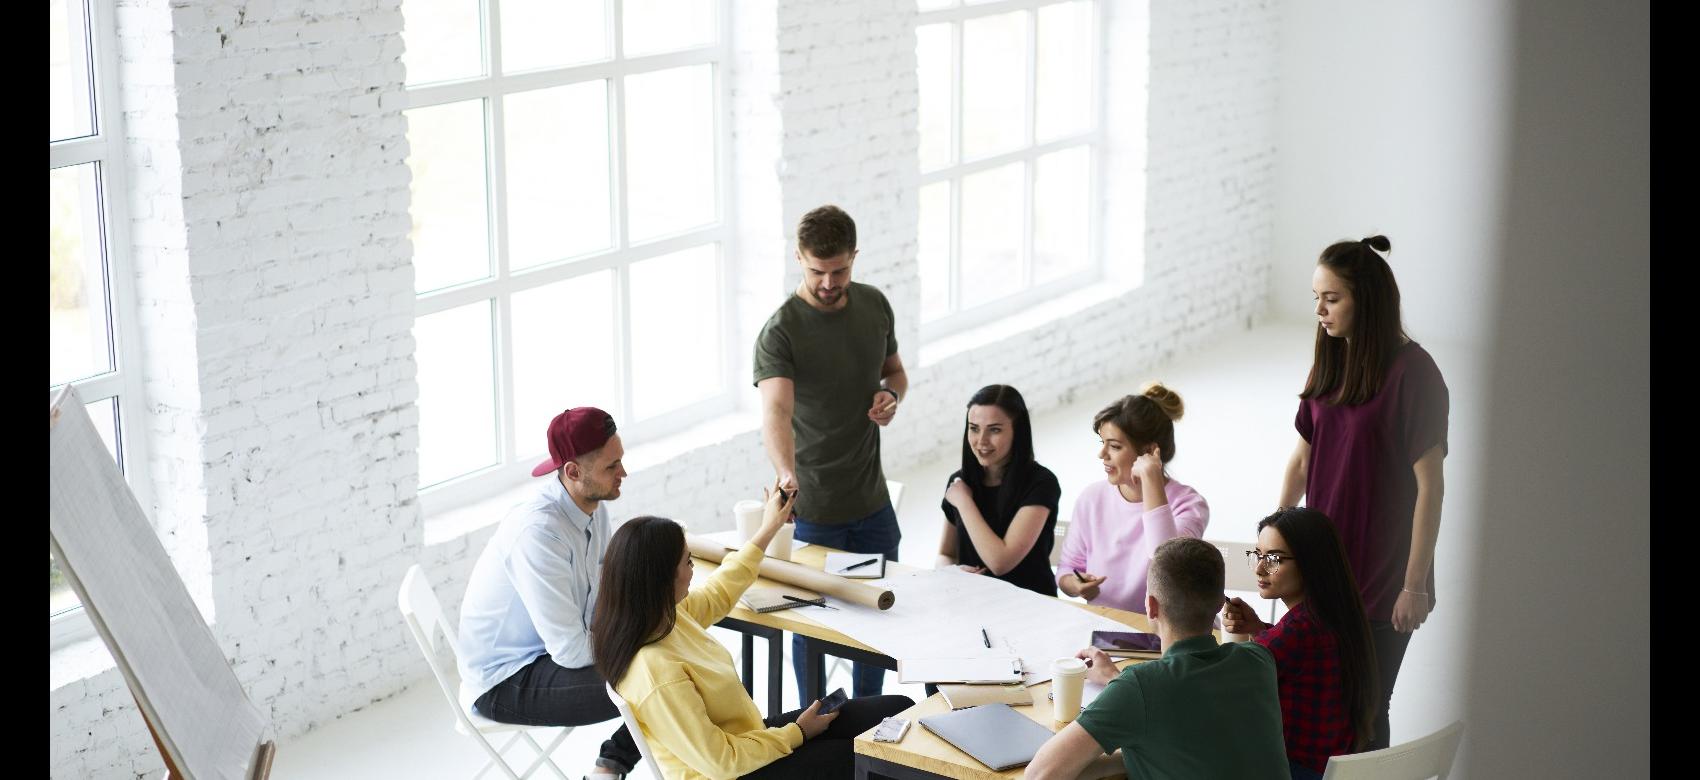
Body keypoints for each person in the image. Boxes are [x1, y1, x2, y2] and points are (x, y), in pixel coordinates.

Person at [592, 488, 913, 780]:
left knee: (898, 707)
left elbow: (719, 591)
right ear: (661, 579)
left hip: (747, 740)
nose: (693, 570)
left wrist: (768, 528)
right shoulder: (656, 671)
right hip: (731, 771)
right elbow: (721, 763)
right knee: (860, 755)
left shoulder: (665, 617)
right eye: (687, 562)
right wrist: (798, 733)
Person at [1278, 235, 1449, 750]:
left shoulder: (1414, 374)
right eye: (1315, 298)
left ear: (1366, 299)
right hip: (1322, 564)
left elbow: (1431, 489)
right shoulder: (1328, 362)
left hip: (1382, 578)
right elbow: (1302, 460)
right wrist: (1274, 543)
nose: (1320, 310)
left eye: (1331, 299)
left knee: (1368, 707)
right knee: (1320, 696)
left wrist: (1414, 584)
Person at [754, 204, 908, 697]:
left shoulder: (875, 305)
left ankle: (870, 715)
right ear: (798, 258)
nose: (827, 281)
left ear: (854, 258)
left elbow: (896, 373)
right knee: (811, 624)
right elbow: (776, 412)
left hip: (872, 503)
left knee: (881, 614)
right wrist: (784, 472)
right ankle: (813, 720)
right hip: (814, 507)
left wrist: (891, 396)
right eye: (817, 270)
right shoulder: (781, 331)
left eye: (839, 270)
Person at [457, 407, 642, 779]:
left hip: (545, 651)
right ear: (573, 472)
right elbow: (572, 650)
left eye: (620, 460)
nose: (623, 473)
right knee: (657, 675)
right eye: (612, 466)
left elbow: (599, 597)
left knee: (665, 658)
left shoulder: (592, 506)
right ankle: (612, 768)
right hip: (505, 682)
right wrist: (637, 635)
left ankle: (610, 766)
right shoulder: (539, 534)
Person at [1026, 537, 1289, 780]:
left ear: (1151, 606)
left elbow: (1039, 775)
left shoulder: (1140, 687)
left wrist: (1126, 751)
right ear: (1221, 604)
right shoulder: (1259, 660)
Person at [1224, 507, 1379, 780]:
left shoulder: (1296, 633)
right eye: (1258, 555)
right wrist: (1259, 629)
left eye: (1274, 559)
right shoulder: (1332, 616)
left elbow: (1217, 684)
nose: (1260, 568)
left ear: (1311, 562)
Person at [1055, 382, 1209, 612]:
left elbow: (1166, 563)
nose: (1102, 454)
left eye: (1115, 446)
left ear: (1149, 452)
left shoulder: (1188, 504)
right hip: (1107, 627)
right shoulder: (1091, 499)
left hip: (1166, 633)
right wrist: (1076, 585)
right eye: (1102, 443)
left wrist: (1151, 478)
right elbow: (1067, 568)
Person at [936, 384, 1061, 596]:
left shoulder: (1042, 483)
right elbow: (945, 553)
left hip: (1032, 605)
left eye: (994, 430)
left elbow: (1000, 563)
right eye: (974, 428)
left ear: (1017, 431)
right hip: (973, 600)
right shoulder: (960, 482)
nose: (981, 441)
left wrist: (964, 502)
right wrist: (951, 573)